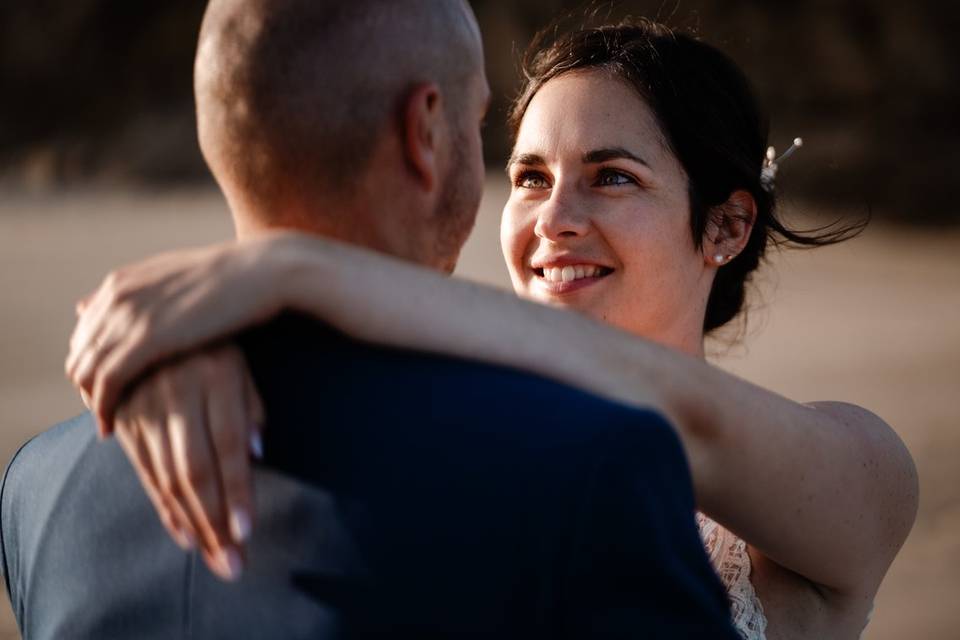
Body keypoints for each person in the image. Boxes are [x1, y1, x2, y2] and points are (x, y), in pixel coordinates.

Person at [65, 14, 920, 640]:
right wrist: (213, 348)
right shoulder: (462, 448)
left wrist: (290, 269)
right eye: (531, 176)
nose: (553, 219)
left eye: (611, 178)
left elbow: (685, 423)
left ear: (727, 228)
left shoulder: (861, 468)